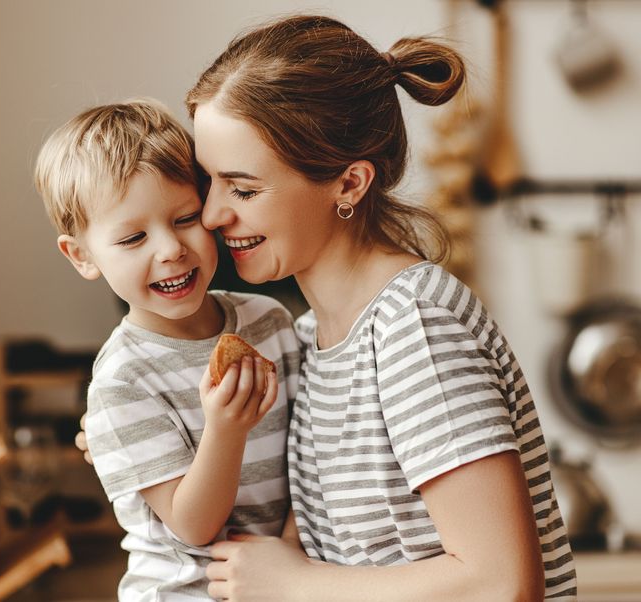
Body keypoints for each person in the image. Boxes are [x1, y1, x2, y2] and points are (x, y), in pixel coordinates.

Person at [77, 15, 577, 601]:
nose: (211, 216)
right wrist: (125, 434)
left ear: (348, 184)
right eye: (208, 182)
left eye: (243, 188)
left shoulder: (413, 328)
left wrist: (295, 585)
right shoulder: (308, 340)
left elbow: (501, 583)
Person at [34, 99, 302, 601]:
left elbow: (312, 445)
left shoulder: (270, 321)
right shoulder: (123, 381)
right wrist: (225, 428)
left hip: (284, 582)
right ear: (82, 256)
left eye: (185, 219)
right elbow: (192, 526)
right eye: (134, 237)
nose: (171, 249)